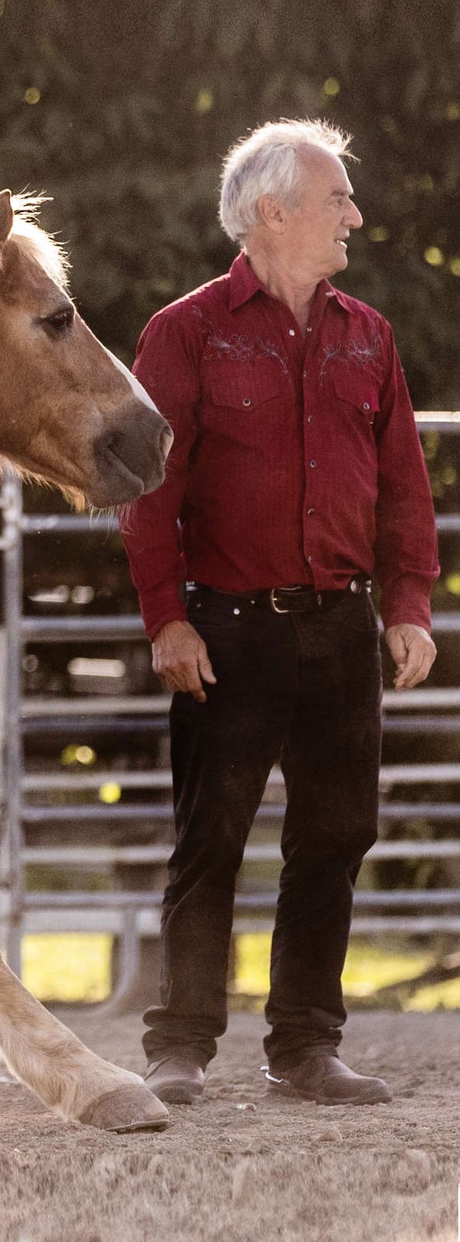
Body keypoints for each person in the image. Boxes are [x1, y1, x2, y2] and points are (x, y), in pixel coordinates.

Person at [120, 119, 439, 1106]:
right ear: (272, 211)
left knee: (336, 833)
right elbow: (146, 492)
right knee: (208, 834)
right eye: (337, 196)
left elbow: (401, 486)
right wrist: (165, 618)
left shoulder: (367, 336)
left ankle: (304, 1045)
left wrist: (407, 603)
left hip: (339, 628)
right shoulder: (183, 333)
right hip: (225, 630)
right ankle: (178, 1044)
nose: (354, 213)